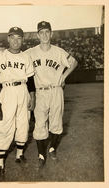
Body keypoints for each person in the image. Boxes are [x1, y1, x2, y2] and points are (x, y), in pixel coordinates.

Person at [25, 21, 78, 168]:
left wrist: (64, 77)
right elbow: (15, 57)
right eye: (41, 32)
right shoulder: (30, 52)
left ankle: (53, 148)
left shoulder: (58, 51)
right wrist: (2, 50)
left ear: (51, 33)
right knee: (40, 124)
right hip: (40, 92)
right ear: (37, 35)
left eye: (47, 32)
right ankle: (41, 155)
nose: (44, 35)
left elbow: (73, 62)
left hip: (56, 91)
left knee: (56, 124)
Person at [0, 26, 35, 180]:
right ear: (8, 38)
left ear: (22, 39)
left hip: (23, 90)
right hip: (7, 91)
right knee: (5, 125)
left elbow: (31, 80)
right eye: (13, 37)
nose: (16, 41)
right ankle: (0, 163)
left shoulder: (26, 57)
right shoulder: (0, 55)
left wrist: (32, 97)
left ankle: (19, 154)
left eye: (19, 38)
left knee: (24, 123)